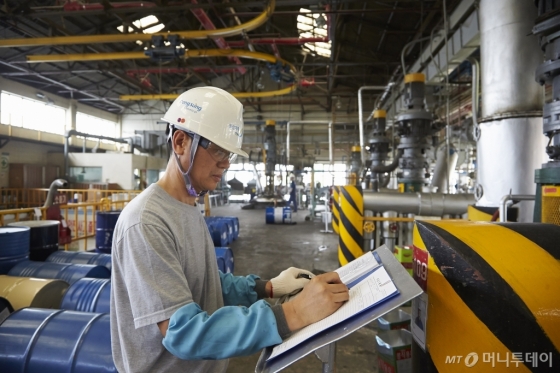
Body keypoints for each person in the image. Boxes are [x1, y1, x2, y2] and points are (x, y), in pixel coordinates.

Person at [110, 87, 349, 373]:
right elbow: (182, 332)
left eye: (230, 155)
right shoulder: (147, 221)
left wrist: (266, 287)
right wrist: (293, 313)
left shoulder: (187, 205)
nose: (225, 163)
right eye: (218, 150)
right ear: (180, 142)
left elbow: (204, 281)